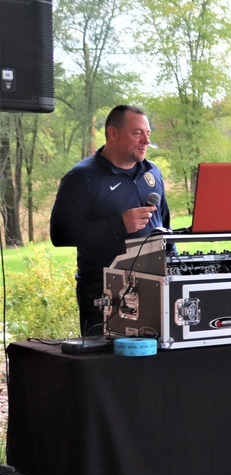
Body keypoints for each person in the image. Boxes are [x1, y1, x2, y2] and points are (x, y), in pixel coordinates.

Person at [50, 104, 170, 336]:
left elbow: (164, 225)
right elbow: (61, 234)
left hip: (154, 286)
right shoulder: (82, 177)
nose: (146, 140)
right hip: (103, 292)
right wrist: (119, 225)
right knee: (106, 367)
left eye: (148, 134)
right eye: (137, 133)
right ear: (113, 133)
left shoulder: (152, 172)